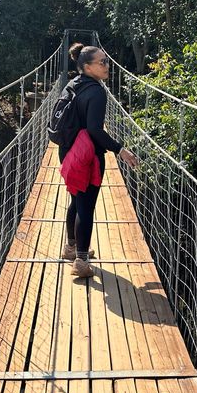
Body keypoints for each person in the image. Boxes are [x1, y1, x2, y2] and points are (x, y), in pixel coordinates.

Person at [60, 43, 139, 278]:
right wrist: (120, 150)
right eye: (102, 62)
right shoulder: (96, 91)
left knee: (76, 198)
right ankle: (81, 262)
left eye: (106, 61)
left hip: (68, 152)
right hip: (87, 156)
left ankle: (71, 247)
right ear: (87, 67)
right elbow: (95, 129)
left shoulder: (73, 84)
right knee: (86, 206)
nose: (107, 66)